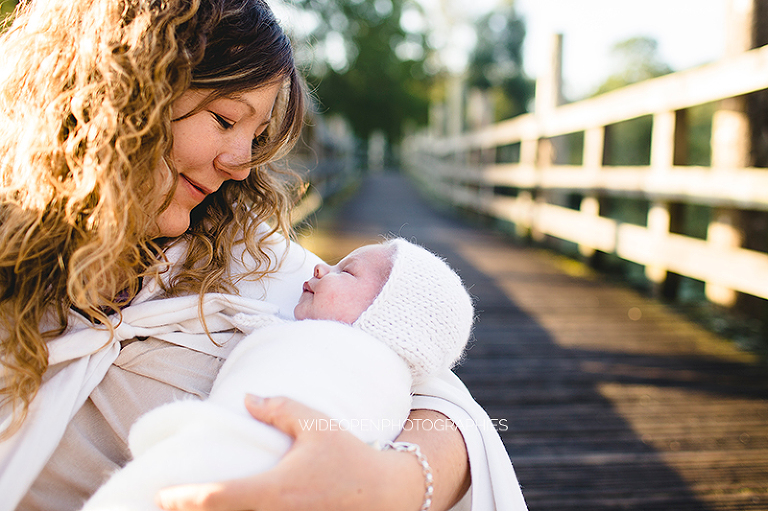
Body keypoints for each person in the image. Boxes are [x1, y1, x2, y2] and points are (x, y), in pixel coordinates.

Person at [0, 1, 527, 510]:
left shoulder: (246, 259)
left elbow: (447, 406)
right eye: (226, 120)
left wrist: (395, 484)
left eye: (257, 134)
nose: (241, 165)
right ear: (120, 93)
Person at [82, 238, 474, 510]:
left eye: (345, 272)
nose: (320, 265)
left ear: (387, 318)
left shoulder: (360, 364)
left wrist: (394, 484)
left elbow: (459, 415)